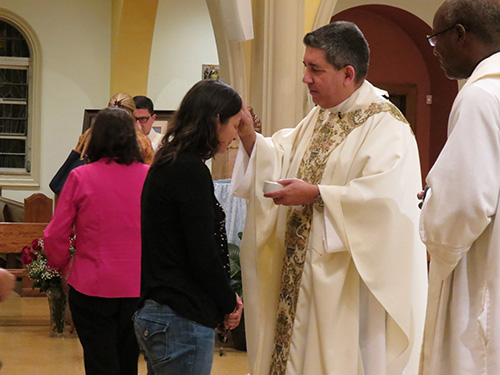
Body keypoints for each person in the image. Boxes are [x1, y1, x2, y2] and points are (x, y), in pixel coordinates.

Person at [231, 21, 428, 375]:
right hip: (301, 279)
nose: (305, 78)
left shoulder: (387, 127)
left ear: (347, 73)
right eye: (305, 66)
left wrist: (317, 195)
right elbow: (280, 155)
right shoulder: (320, 117)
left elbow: (387, 204)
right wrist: (249, 137)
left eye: (315, 69)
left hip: (344, 291)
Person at [134, 79, 244, 375]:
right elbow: (202, 250)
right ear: (216, 119)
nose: (235, 135)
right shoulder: (189, 169)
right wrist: (228, 301)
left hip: (162, 310)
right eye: (234, 125)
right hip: (180, 315)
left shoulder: (170, 161)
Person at [419, 1, 500, 374]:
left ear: (460, 34)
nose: (435, 52)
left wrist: (433, 207)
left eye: (436, 41)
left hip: (484, 276)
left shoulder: (480, 97)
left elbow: (465, 204)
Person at [43, 107, 149, 375]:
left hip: (92, 284)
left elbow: (55, 234)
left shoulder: (81, 176)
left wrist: (62, 266)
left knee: (100, 362)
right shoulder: (149, 176)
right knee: (128, 362)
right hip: (138, 286)